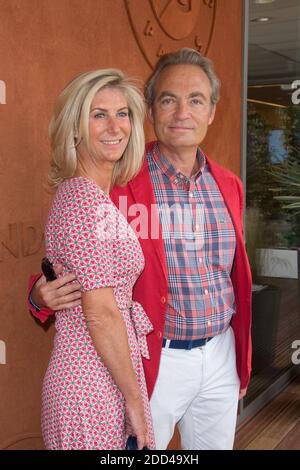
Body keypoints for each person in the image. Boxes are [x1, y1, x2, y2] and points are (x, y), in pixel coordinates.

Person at [28, 49, 252, 450]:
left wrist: (241, 360)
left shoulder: (229, 185)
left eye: (196, 100)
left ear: (212, 112)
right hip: (154, 360)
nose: (182, 112)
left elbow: (235, 277)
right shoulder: (117, 178)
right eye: (168, 99)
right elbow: (77, 260)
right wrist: (38, 295)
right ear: (150, 110)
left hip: (220, 355)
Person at [35, 68, 155, 450]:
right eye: (98, 114)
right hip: (90, 385)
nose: (114, 125)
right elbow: (101, 311)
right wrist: (134, 399)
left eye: (123, 113)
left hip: (106, 377)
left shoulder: (94, 197)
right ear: (75, 129)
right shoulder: (83, 200)